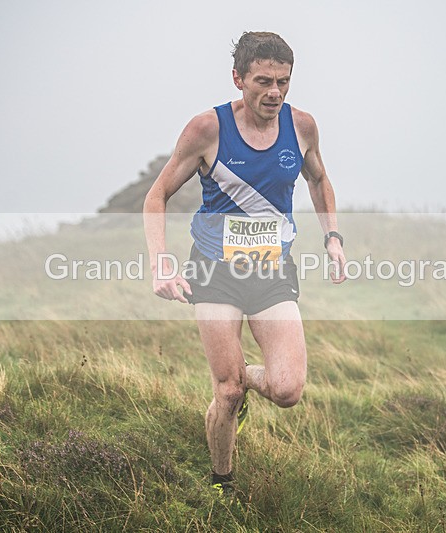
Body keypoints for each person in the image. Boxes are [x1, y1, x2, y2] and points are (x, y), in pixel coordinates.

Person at [143, 31, 346, 497]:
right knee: (228, 391)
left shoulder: (303, 126)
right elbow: (156, 196)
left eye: (283, 81)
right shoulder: (206, 130)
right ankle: (222, 483)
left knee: (288, 390)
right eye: (263, 81)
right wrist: (161, 262)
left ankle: (244, 377)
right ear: (238, 79)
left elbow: (318, 178)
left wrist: (332, 236)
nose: (274, 92)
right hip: (215, 273)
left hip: (272, 271)